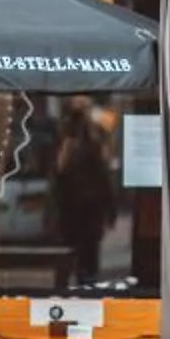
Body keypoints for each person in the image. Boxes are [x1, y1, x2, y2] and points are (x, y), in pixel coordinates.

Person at [50, 99, 117, 288]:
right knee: (72, 252)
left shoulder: (92, 140)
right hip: (73, 207)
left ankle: (83, 283)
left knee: (84, 253)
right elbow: (59, 171)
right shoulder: (66, 141)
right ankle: (71, 284)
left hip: (86, 207)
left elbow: (104, 174)